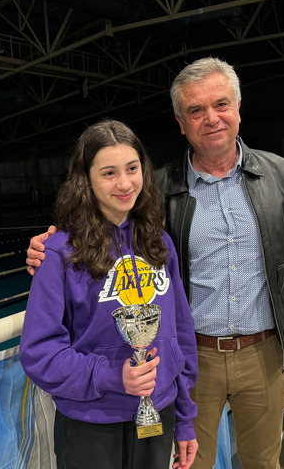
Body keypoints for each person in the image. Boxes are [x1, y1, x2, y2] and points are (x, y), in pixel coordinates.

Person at [27, 58, 284, 469]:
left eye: (221, 104)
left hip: (262, 352)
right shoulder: (162, 189)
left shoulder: (279, 175)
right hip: (190, 360)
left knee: (264, 461)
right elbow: (105, 227)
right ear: (181, 123)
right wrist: (51, 244)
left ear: (238, 107)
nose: (211, 118)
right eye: (196, 110)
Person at [19, 119, 198, 469]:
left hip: (158, 413)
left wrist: (185, 416)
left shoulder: (159, 242)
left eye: (132, 169)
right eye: (109, 173)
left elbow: (180, 332)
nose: (125, 183)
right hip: (91, 423)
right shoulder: (59, 252)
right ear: (85, 180)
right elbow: (39, 352)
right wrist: (113, 376)